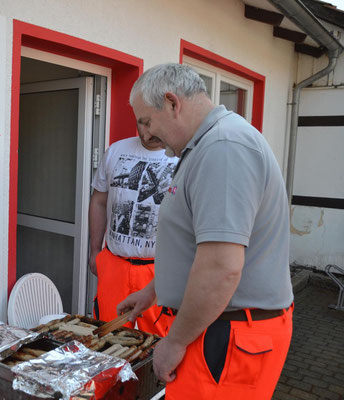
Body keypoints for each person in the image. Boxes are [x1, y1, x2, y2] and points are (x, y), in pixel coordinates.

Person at [117, 63, 294, 399]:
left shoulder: (223, 148)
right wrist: (153, 291)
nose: (145, 134)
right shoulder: (206, 145)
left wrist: (175, 341)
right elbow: (196, 246)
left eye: (146, 121)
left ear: (172, 103)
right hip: (218, 327)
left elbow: (220, 268)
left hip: (226, 335)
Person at [89, 113, 177, 337]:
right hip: (115, 264)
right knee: (108, 337)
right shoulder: (116, 151)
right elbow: (98, 201)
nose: (147, 133)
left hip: (160, 269)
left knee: (157, 340)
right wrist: (94, 251)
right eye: (142, 122)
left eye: (153, 123)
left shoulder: (182, 158)